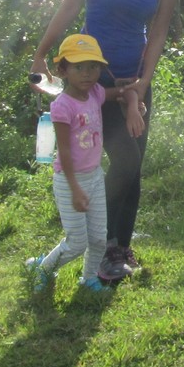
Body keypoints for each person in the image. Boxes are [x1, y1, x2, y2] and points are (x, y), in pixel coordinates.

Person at [31, 0, 181, 282]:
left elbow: (159, 33)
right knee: (124, 160)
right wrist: (41, 53)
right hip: (91, 82)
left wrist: (142, 85)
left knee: (134, 167)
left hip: (135, 81)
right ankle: (102, 243)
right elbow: (70, 5)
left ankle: (118, 247)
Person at [25, 33, 145, 293]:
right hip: (70, 181)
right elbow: (65, 153)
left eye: (93, 67)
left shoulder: (95, 94)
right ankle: (42, 269)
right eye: (79, 67)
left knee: (99, 238)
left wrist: (132, 100)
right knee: (77, 242)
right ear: (63, 70)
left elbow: (118, 93)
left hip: (94, 177)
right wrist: (75, 189)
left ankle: (89, 279)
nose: (87, 74)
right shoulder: (62, 106)